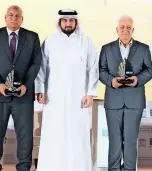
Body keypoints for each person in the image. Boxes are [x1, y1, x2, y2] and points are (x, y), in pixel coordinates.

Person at [35, 8, 99, 171]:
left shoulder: (86, 42)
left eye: (71, 20)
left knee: (78, 135)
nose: (68, 23)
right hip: (54, 98)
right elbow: (41, 68)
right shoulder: (49, 41)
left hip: (79, 98)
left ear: (76, 22)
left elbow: (93, 68)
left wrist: (90, 93)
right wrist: (40, 90)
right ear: (60, 22)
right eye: (65, 20)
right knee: (54, 134)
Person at [0, 5, 42, 171]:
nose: (14, 18)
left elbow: (36, 62)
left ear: (22, 19)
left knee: (25, 135)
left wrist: (26, 84)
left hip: (23, 95)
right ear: (5, 17)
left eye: (17, 16)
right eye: (11, 15)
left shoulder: (32, 37)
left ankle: (24, 166)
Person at [99, 15, 152, 171]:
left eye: (128, 27)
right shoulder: (106, 48)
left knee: (130, 141)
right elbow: (101, 71)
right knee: (114, 140)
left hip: (134, 101)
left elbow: (150, 70)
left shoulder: (144, 48)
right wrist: (111, 81)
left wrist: (138, 79)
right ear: (117, 30)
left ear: (133, 30)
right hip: (113, 101)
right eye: (122, 27)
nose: (125, 30)